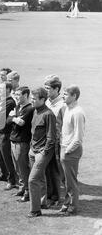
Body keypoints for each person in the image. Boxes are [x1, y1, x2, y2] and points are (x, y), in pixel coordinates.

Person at [28, 87, 56, 218]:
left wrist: (44, 153)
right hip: (33, 150)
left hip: (41, 152)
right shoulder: (35, 110)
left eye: (34, 99)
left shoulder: (48, 114)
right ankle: (42, 203)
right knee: (41, 178)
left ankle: (35, 210)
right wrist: (31, 148)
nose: (31, 100)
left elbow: (51, 138)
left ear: (43, 100)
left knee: (32, 180)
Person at [59, 85, 85, 215]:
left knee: (71, 181)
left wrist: (67, 151)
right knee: (65, 180)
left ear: (74, 96)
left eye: (65, 94)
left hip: (71, 151)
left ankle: (73, 207)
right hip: (64, 147)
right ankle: (66, 203)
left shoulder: (78, 112)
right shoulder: (67, 109)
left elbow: (78, 137)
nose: (63, 96)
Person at [10, 86, 34, 202]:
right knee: (17, 167)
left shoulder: (29, 109)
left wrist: (13, 117)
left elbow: (21, 122)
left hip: (22, 142)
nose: (16, 97)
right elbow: (9, 120)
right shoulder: (18, 107)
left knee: (23, 168)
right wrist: (14, 118)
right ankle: (22, 188)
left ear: (25, 95)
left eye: (18, 95)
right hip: (14, 140)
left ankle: (28, 192)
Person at [0, 82, 17, 190]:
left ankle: (12, 181)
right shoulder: (1, 100)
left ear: (8, 89)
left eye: (1, 88)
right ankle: (3, 175)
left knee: (6, 158)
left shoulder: (10, 102)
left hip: (4, 133)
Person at [44, 77, 65, 206]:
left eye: (48, 88)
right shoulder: (47, 101)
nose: (45, 91)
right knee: (48, 169)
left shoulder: (62, 106)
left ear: (56, 89)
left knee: (57, 171)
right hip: (46, 140)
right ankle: (51, 195)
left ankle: (59, 198)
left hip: (57, 142)